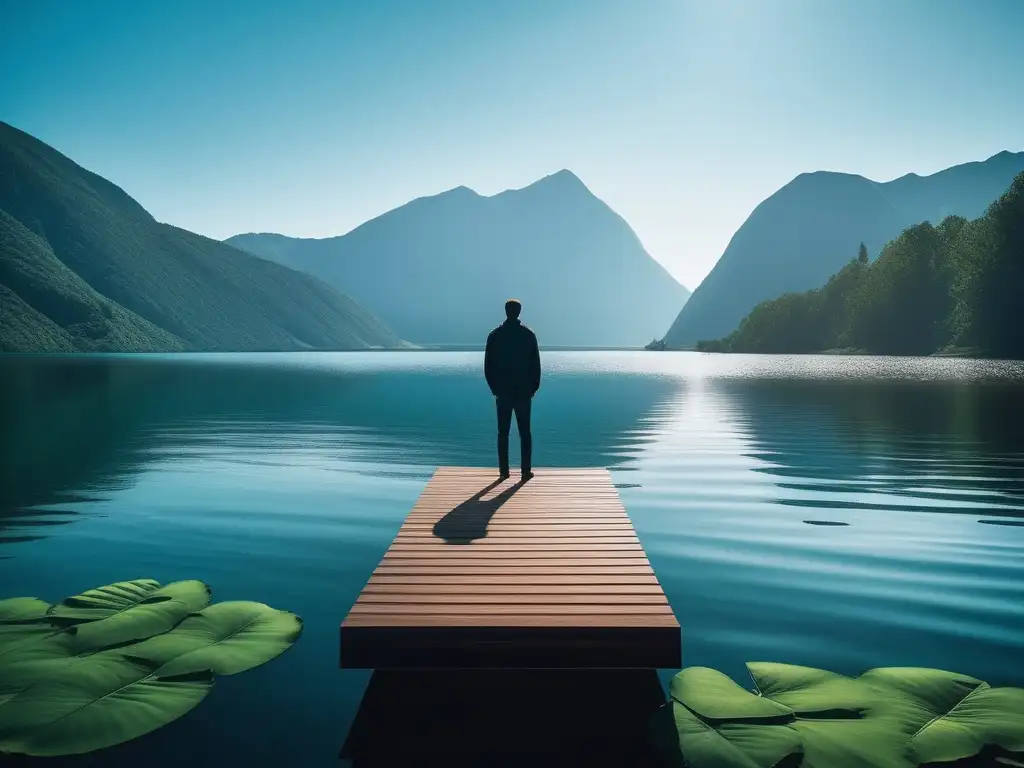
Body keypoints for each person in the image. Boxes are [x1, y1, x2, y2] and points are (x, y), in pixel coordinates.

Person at [484, 299, 541, 480]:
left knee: (503, 433)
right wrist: (533, 388)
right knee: (525, 432)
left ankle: (504, 472)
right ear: (519, 312)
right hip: (524, 392)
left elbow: (488, 367)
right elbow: (536, 366)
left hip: (503, 392)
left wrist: (494, 388)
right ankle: (525, 471)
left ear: (506, 311)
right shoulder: (528, 335)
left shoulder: (494, 336)